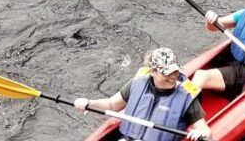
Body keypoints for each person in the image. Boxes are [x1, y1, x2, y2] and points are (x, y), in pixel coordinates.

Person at [73, 47, 211, 141]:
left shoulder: (186, 97)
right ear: (152, 72)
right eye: (166, 73)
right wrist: (89, 104)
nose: (173, 77)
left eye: (175, 71)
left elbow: (207, 133)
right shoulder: (138, 83)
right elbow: (111, 104)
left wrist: (200, 134)